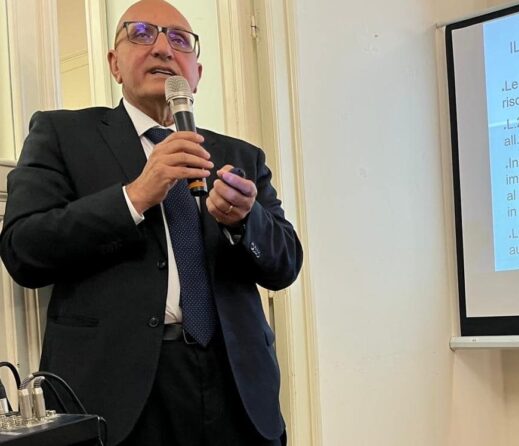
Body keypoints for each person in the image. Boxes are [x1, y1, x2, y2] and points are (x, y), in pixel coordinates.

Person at [0, 0, 302, 444]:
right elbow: (24, 249)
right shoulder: (62, 135)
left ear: (196, 74)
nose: (162, 48)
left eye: (179, 40)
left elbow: (286, 264)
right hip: (117, 391)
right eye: (141, 34)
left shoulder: (240, 155)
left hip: (237, 387)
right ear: (114, 64)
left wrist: (245, 221)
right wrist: (135, 196)